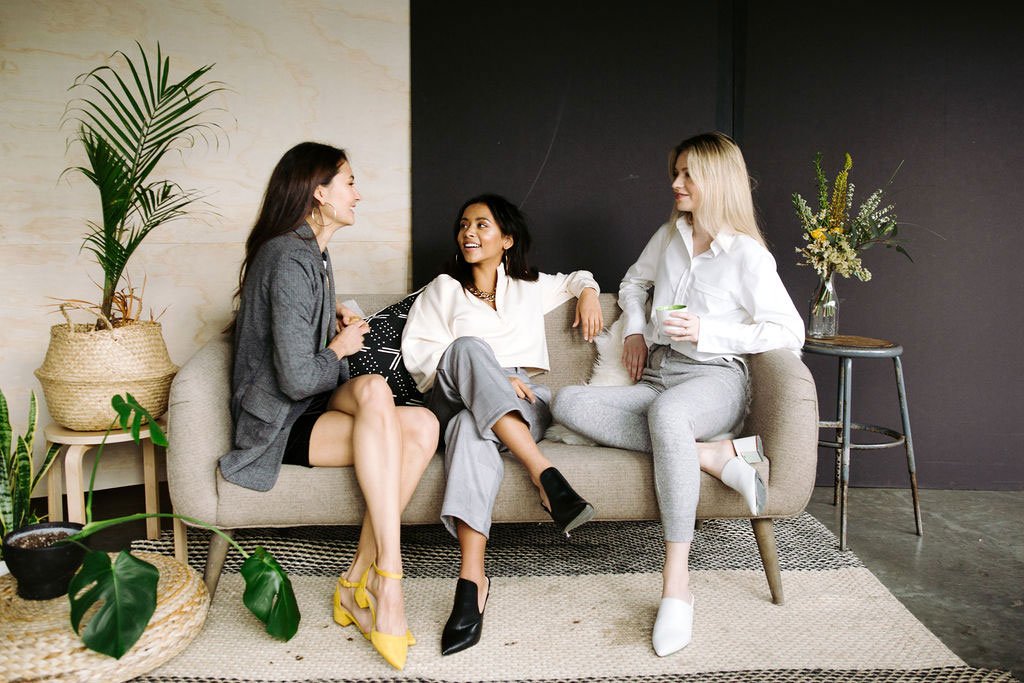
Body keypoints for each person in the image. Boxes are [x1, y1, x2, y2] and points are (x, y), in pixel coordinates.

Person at [551, 132, 804, 657]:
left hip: (716, 377)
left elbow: (788, 331)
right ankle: (714, 454)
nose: (675, 183)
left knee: (668, 414)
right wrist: (638, 327)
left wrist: (710, 334)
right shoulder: (669, 236)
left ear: (716, 179)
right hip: (662, 374)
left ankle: (676, 584)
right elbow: (633, 284)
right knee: (567, 403)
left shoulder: (748, 257)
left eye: (687, 174)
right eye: (677, 172)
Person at [220, 142, 438, 670]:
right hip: (278, 421)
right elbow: (295, 378)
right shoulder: (287, 256)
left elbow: (305, 353)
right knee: (396, 418)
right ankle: (388, 583)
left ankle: (354, 580)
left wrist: (332, 323)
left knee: (422, 420)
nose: (358, 194)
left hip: (311, 402)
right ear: (319, 192)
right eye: (349, 183)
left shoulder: (311, 253)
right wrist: (340, 347)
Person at [401, 193, 603, 656]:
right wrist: (495, 374)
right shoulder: (442, 290)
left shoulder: (529, 286)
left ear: (506, 239)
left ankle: (471, 582)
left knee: (473, 433)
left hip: (522, 405)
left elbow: (577, 278)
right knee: (469, 348)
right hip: (451, 394)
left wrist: (589, 293)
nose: (468, 233)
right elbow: (420, 359)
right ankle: (544, 474)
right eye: (463, 225)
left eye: (482, 225)